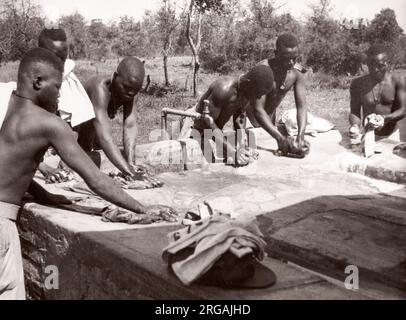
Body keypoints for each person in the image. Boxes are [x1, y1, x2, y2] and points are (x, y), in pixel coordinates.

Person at [0, 48, 175, 300]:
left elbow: (15, 165)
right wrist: (142, 209)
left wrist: (46, 195)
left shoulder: (10, 109)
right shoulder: (49, 123)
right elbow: (95, 179)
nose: (60, 95)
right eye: (58, 87)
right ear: (38, 82)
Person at [78, 57, 161, 187]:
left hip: (95, 136)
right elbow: (105, 137)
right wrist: (130, 173)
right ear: (115, 76)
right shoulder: (99, 88)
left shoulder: (131, 89)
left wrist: (131, 163)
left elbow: (130, 125)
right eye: (127, 87)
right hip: (73, 134)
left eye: (136, 89)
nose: (131, 93)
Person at [179, 65, 275, 166]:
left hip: (213, 128)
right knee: (184, 163)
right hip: (194, 123)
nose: (259, 97)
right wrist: (232, 152)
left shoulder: (247, 92)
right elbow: (208, 124)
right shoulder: (223, 89)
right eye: (258, 93)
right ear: (248, 83)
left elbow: (239, 120)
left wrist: (242, 147)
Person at [36, 27, 96, 183]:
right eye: (54, 57)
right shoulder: (29, 85)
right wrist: (43, 167)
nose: (59, 63)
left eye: (63, 58)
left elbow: (72, 120)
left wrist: (67, 156)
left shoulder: (67, 80)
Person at [250, 33, 310, 158]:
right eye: (286, 58)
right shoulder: (263, 70)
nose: (291, 62)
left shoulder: (296, 73)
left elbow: (302, 106)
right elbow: (257, 109)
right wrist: (280, 139)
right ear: (276, 53)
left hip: (270, 120)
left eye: (294, 58)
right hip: (249, 121)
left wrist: (301, 136)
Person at [349, 44, 406, 143]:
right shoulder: (357, 84)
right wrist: (355, 126)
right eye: (371, 65)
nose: (375, 69)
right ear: (367, 64)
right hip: (367, 134)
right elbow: (354, 112)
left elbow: (403, 110)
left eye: (380, 65)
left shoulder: (398, 81)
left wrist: (385, 118)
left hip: (391, 136)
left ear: (387, 63)